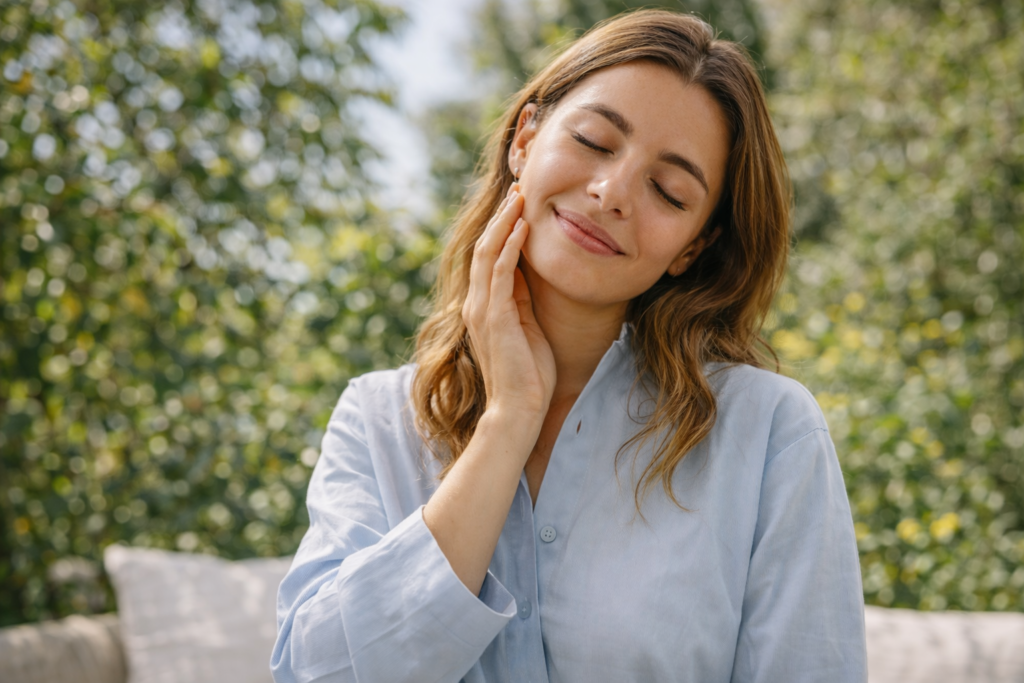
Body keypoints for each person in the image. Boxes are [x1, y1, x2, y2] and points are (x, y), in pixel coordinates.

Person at [271, 9, 866, 683]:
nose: (610, 193)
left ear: (692, 246)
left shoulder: (769, 433)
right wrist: (508, 422)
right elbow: (317, 674)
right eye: (594, 140)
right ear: (525, 137)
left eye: (668, 192)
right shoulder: (378, 420)